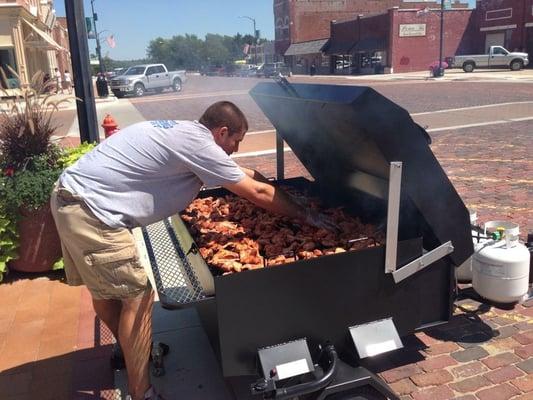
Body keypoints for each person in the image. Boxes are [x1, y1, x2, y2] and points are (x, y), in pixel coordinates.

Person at [50, 101, 334, 400]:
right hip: (93, 212)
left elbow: (247, 174)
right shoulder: (198, 144)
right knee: (138, 296)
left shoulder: (187, 134)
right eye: (236, 141)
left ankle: (131, 349)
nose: (235, 149)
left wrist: (286, 194)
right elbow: (257, 192)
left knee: (107, 292)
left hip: (72, 199)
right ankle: (142, 392)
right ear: (222, 132)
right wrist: (306, 215)